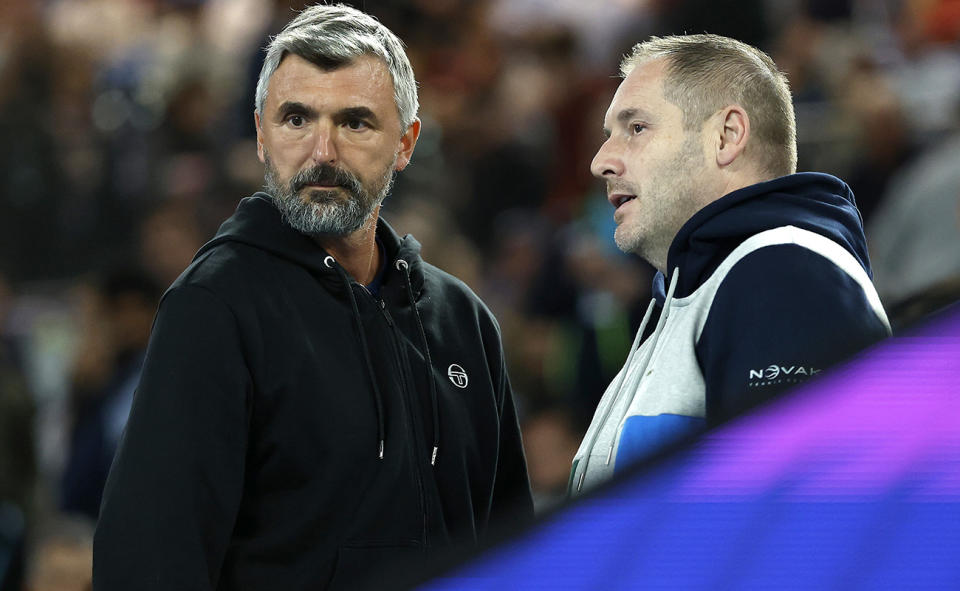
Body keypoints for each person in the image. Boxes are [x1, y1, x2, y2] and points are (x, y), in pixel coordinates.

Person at [93, 5, 533, 590]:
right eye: (296, 119)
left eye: (354, 122)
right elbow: (149, 560)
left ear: (405, 143)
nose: (321, 152)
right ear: (260, 134)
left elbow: (519, 551)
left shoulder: (463, 322)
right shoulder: (214, 307)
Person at [570, 34, 891, 495]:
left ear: (726, 136)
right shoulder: (698, 293)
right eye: (608, 136)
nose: (601, 161)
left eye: (636, 128)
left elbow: (798, 529)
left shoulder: (784, 276)